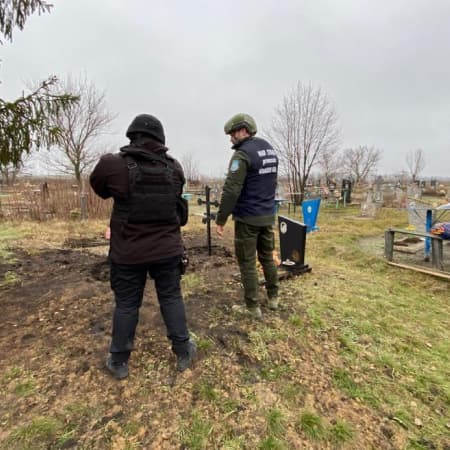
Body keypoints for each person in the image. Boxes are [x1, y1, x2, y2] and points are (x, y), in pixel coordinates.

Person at [90, 113, 196, 379]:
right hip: (167, 250)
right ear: (160, 139)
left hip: (129, 252)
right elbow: (178, 210)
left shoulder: (113, 165)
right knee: (171, 297)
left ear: (132, 136)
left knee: (126, 304)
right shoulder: (175, 168)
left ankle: (119, 360)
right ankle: (183, 351)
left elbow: (100, 188)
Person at [216, 113, 279, 319]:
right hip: (267, 215)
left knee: (247, 261)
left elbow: (232, 189)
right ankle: (273, 298)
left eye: (233, 133)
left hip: (248, 218)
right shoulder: (268, 149)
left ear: (243, 130)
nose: (231, 138)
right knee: (268, 257)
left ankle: (252, 307)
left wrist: (221, 218)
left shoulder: (242, 155)